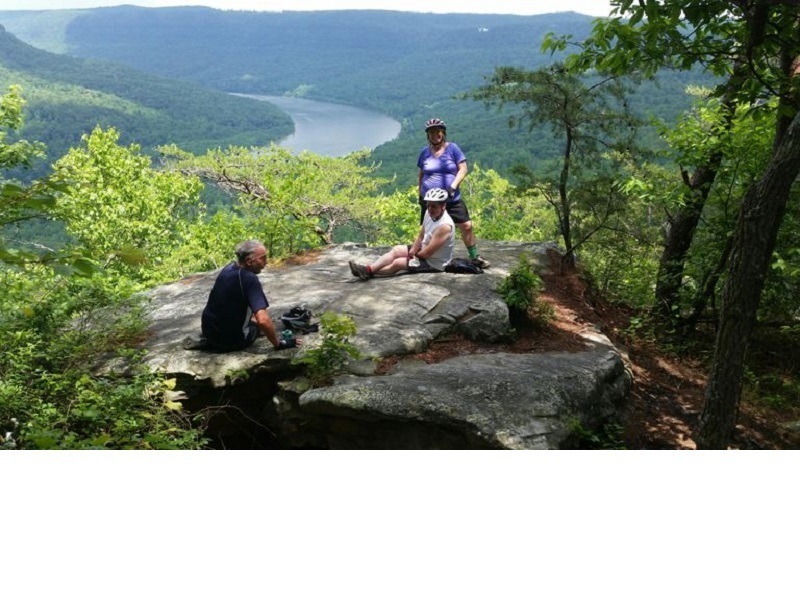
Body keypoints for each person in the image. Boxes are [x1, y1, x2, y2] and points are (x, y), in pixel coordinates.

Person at [196, 240, 300, 352]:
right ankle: (237, 337)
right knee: (258, 322)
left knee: (252, 317)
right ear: (249, 261)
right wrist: (279, 344)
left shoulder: (228, 268)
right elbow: (263, 320)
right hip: (230, 341)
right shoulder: (249, 279)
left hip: (209, 332)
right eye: (263, 258)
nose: (266, 263)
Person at [417, 117, 490, 269]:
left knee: (466, 225)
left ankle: (474, 256)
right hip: (430, 199)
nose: (435, 135)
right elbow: (421, 174)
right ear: (428, 135)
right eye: (431, 132)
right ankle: (423, 257)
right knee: (427, 228)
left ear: (443, 133)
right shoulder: (424, 152)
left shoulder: (453, 149)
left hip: (451, 196)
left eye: (438, 131)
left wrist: (453, 186)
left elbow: (463, 168)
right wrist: (420, 194)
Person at [349, 187, 455, 280]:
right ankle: (368, 270)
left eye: (434, 206)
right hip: (424, 251)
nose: (430, 209)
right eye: (428, 205)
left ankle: (367, 271)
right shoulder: (429, 213)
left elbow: (427, 254)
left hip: (435, 263)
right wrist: (413, 249)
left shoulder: (444, 226)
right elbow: (421, 235)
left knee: (398, 263)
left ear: (443, 206)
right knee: (397, 250)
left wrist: (413, 255)